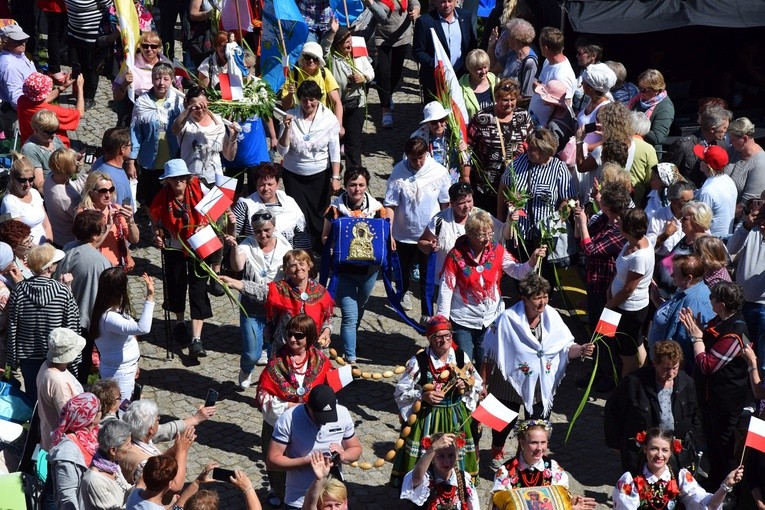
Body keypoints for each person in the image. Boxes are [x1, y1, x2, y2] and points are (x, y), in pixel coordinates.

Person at [482, 273, 594, 466]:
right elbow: (489, 351)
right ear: (524, 299)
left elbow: (565, 347)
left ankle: (523, 457)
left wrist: (581, 350)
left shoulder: (552, 317)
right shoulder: (507, 319)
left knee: (536, 424)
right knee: (502, 419)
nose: (543, 302)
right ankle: (497, 449)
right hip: (510, 377)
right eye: (537, 298)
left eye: (545, 296)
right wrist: (483, 382)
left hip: (541, 383)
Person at [437, 210, 544, 367]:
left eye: (490, 233)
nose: (487, 238)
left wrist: (532, 262)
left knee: (485, 362)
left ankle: (483, 390)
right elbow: (446, 290)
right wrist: (442, 323)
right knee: (464, 362)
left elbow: (517, 271)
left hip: (490, 319)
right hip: (463, 320)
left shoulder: (497, 250)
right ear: (469, 234)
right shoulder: (455, 256)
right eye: (482, 235)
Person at [391, 316, 483, 487]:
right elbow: (401, 391)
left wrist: (467, 385)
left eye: (447, 335)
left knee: (455, 453)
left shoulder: (461, 358)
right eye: (438, 336)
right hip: (428, 417)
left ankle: (456, 491)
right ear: (430, 339)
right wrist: (422, 396)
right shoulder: (419, 362)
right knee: (428, 453)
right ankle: (423, 490)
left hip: (456, 415)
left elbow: (477, 383)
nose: (444, 340)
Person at [679, 281, 752, 490]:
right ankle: (714, 480)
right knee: (713, 443)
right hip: (712, 399)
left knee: (723, 447)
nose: (709, 300)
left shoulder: (735, 333)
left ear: (721, 303)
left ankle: (728, 490)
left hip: (725, 402)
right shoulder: (722, 320)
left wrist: (696, 338)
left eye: (712, 298)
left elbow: (707, 365)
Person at [255, 315, 332, 508]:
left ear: (309, 338)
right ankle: (278, 491)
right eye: (290, 334)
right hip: (278, 422)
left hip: (309, 423)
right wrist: (290, 407)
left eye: (299, 336)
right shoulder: (275, 364)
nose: (292, 340)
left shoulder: (321, 362)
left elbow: (328, 390)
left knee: (305, 461)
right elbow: (264, 397)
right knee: (276, 461)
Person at [321, 167, 388, 364]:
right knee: (349, 315)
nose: (356, 189)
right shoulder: (335, 209)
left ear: (367, 186)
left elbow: (382, 238)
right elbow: (324, 237)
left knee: (360, 307)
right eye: (352, 185)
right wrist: (335, 242)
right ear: (345, 185)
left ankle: (352, 340)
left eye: (360, 185)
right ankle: (350, 357)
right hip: (344, 272)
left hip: (369, 272)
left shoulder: (377, 210)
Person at [605, 340, 702, 473]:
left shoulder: (687, 383)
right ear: (655, 363)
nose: (670, 374)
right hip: (642, 451)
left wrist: (693, 440)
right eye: (666, 368)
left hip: (674, 451)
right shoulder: (634, 382)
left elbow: (695, 415)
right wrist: (615, 444)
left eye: (675, 368)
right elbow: (613, 411)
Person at [149, 159, 214, 358]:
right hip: (174, 247)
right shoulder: (161, 200)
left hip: (199, 244)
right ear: (167, 181)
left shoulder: (198, 187)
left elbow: (215, 208)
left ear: (187, 178)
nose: (179, 182)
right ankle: (179, 322)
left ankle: (196, 339)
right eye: (174, 179)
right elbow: (156, 225)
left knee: (198, 288)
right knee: (176, 285)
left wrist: (206, 222)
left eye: (181, 178)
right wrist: (158, 236)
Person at [221, 210, 293, 386]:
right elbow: (237, 265)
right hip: (252, 307)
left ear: (274, 227)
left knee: (274, 353)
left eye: (267, 230)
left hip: (276, 308)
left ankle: (269, 384)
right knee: (252, 353)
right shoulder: (248, 244)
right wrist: (234, 247)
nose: (263, 235)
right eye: (258, 231)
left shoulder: (285, 248)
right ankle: (246, 369)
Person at [266, 384, 362, 509]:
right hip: (298, 498)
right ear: (308, 406)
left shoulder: (343, 414)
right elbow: (272, 461)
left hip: (331, 501)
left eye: (329, 416)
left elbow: (356, 449)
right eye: (319, 416)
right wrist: (308, 461)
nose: (324, 422)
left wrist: (343, 455)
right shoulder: (288, 419)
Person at [385, 137, 451, 317]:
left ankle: (427, 313)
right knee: (402, 270)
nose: (418, 162)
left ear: (426, 154)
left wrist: (443, 231)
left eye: (420, 157)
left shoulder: (438, 172)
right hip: (403, 232)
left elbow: (445, 204)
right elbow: (390, 205)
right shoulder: (399, 171)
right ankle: (402, 292)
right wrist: (389, 233)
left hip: (428, 234)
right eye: (413, 158)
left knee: (427, 275)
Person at [6, 244, 80, 402]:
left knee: (34, 398)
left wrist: (12, 360)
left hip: (28, 356)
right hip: (56, 355)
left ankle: (35, 425)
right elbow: (72, 325)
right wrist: (74, 358)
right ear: (50, 268)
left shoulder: (19, 291)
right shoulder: (62, 291)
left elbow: (12, 327)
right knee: (59, 399)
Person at [496, 129, 575, 275]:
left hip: (545, 235)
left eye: (534, 149)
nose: (530, 151)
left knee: (544, 275)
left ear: (547, 151)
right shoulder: (518, 163)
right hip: (518, 233)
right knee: (519, 273)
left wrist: (556, 224)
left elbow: (568, 201)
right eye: (530, 147)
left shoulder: (559, 168)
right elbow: (503, 188)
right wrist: (501, 220)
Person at [278, 80, 342, 250]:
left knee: (319, 213)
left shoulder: (329, 119)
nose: (308, 104)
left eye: (312, 99)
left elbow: (334, 151)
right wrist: (286, 129)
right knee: (298, 213)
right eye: (304, 100)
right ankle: (302, 250)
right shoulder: (290, 116)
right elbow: (282, 151)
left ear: (319, 99)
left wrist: (335, 177)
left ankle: (320, 248)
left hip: (319, 175)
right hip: (293, 175)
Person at [613, 428, 743, 510]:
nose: (659, 455)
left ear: (671, 453)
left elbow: (706, 505)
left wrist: (726, 484)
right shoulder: (631, 480)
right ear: (645, 449)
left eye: (664, 450)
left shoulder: (680, 477)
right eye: (654, 449)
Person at [464, 78, 534, 213]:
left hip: (515, 185)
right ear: (496, 98)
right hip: (488, 185)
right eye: (505, 100)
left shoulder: (523, 116)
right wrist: (466, 177)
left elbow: (532, 140)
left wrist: (524, 147)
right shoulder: (482, 118)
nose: (509, 104)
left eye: (512, 100)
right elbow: (468, 148)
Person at [491, 420, 596, 510]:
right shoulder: (506, 472)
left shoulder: (554, 469)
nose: (539, 448)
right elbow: (501, 504)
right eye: (534, 442)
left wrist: (571, 505)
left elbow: (558, 504)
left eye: (543, 442)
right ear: (522, 443)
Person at [573, 182, 630, 338]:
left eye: (603, 201)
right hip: (594, 282)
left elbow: (590, 250)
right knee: (594, 326)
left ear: (609, 207)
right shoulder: (605, 219)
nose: (600, 202)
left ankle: (606, 360)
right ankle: (598, 355)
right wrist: (579, 221)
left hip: (607, 288)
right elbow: (583, 239)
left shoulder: (621, 230)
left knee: (605, 334)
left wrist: (583, 222)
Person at [90, 269, 155, 401]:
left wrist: (135, 363)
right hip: (119, 374)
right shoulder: (109, 317)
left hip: (125, 370)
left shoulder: (112, 309)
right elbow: (142, 328)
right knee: (122, 410)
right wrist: (150, 297)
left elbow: (129, 335)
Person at [129, 62, 184, 208]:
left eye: (166, 79)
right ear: (152, 80)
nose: (161, 83)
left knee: (170, 197)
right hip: (150, 157)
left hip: (172, 155)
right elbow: (135, 132)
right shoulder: (142, 102)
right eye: (158, 78)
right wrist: (131, 160)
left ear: (172, 80)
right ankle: (154, 226)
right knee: (151, 196)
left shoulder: (178, 101)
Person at [606, 208, 654, 375]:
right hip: (617, 304)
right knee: (634, 341)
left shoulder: (640, 257)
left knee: (626, 352)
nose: (617, 223)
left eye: (621, 222)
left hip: (627, 310)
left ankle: (627, 385)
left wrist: (609, 305)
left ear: (628, 228)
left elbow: (628, 290)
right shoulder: (633, 241)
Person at [322, 23, 375, 168]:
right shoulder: (331, 58)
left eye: (350, 40)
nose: (350, 44)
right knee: (334, 142)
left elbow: (371, 71)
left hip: (357, 103)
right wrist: (332, 33)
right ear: (338, 44)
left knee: (353, 143)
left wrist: (363, 77)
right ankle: (334, 175)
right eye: (346, 42)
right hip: (336, 106)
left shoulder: (357, 54)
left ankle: (354, 176)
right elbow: (324, 50)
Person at [648, 255, 714, 369]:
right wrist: (658, 301)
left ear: (689, 278)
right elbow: (673, 317)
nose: (672, 275)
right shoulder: (686, 290)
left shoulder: (694, 302)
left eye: (676, 273)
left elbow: (683, 344)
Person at [230, 162, 312, 250]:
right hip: (253, 254)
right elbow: (234, 236)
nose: (266, 189)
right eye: (261, 185)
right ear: (256, 185)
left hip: (286, 257)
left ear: (277, 183)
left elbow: (301, 236)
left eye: (270, 184)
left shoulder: (289, 203)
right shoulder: (246, 204)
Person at [365, 0, 421, 128]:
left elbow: (414, 2)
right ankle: (386, 109)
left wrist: (416, 10)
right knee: (384, 73)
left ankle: (387, 95)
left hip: (403, 35)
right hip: (381, 36)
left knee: (396, 72)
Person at [172, 85, 240, 185]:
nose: (199, 110)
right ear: (187, 104)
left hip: (215, 180)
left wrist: (233, 138)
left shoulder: (218, 122)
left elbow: (230, 157)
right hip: (191, 180)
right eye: (195, 107)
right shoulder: (185, 122)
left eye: (203, 105)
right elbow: (175, 130)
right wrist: (189, 110)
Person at [120, 399, 196, 487]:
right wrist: (182, 450)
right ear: (150, 430)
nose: (159, 421)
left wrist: (175, 448)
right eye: (157, 419)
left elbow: (160, 462)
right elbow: (174, 486)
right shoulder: (144, 462)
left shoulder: (134, 439)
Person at [727, 192, 765, 370]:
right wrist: (747, 225)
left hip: (763, 307)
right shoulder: (748, 228)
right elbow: (731, 248)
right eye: (760, 203)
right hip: (742, 303)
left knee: (762, 354)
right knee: (742, 351)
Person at [412, 0, 476, 101]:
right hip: (435, 79)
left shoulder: (465, 16)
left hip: (461, 76)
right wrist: (437, 64)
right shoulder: (425, 21)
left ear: (456, 1)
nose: (447, 5)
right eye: (443, 2)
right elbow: (417, 51)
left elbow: (471, 44)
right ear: (435, 2)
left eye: (450, 1)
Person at [400, 432, 481, 510]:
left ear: (457, 455)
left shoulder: (464, 478)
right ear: (432, 458)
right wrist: (433, 448)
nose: (447, 461)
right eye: (441, 456)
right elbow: (416, 479)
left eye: (451, 455)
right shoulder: (426, 478)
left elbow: (474, 506)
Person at [48, 392, 101, 510]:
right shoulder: (67, 452)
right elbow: (67, 497)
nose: (101, 412)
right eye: (99, 409)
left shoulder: (94, 435)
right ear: (89, 417)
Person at [77, 171, 140, 271]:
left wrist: (130, 221)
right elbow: (89, 247)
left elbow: (134, 240)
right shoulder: (84, 214)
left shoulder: (116, 209)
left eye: (111, 190)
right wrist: (109, 226)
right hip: (95, 268)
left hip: (116, 267)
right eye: (103, 191)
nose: (108, 194)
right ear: (91, 192)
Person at [36, 328, 86, 452]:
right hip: (60, 444)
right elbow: (68, 419)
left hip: (48, 430)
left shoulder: (46, 366)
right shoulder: (59, 382)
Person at [654, 201, 713, 300]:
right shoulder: (687, 238)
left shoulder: (704, 246)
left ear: (697, 222)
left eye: (685, 219)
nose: (681, 221)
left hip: (679, 301)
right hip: (662, 295)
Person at [280, 42, 344, 133]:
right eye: (307, 57)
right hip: (299, 123)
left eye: (315, 58)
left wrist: (339, 125)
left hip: (322, 122)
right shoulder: (293, 75)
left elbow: (336, 102)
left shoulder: (325, 73)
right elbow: (286, 106)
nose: (311, 60)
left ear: (319, 61)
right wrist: (290, 94)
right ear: (302, 59)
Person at [665, 103, 733, 187]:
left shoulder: (721, 145)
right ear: (712, 129)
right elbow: (668, 173)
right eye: (724, 128)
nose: (726, 131)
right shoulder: (684, 145)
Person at [113, 31, 172, 125]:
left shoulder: (167, 65)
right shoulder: (130, 65)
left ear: (159, 48)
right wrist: (125, 84)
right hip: (133, 113)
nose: (149, 49)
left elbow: (176, 91)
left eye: (153, 46)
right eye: (145, 46)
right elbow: (117, 97)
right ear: (140, 46)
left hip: (160, 115)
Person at [64, 0, 111, 109]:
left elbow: (110, 6)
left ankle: (89, 97)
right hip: (73, 31)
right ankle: (78, 92)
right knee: (76, 64)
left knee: (90, 67)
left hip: (92, 34)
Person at [17, 71, 83, 147]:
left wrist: (64, 86)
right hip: (54, 150)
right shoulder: (51, 112)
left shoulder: (21, 101)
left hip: (29, 145)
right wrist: (80, 88)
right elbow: (80, 114)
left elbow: (40, 100)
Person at [79, 419, 133, 510]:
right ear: (113, 450)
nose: (131, 447)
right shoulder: (95, 481)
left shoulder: (112, 465)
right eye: (127, 444)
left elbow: (126, 490)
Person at [528, 27, 576, 128]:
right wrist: (539, 87)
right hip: (534, 123)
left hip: (545, 130)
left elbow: (565, 105)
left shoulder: (563, 75)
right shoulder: (547, 61)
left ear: (545, 48)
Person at [1, 153, 52, 245]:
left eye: (31, 179)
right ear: (13, 178)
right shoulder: (10, 202)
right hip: (28, 251)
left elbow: (46, 224)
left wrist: (49, 244)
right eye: (22, 180)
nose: (28, 184)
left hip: (45, 248)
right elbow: (20, 236)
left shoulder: (35, 193)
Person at [43, 148, 88, 248]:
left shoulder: (51, 177)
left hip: (57, 234)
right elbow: (81, 218)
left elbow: (74, 185)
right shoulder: (66, 197)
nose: (78, 163)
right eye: (74, 162)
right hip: (68, 242)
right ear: (67, 169)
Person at [410, 101, 468, 178]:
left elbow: (465, 156)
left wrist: (464, 147)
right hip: (430, 178)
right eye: (434, 122)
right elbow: (411, 161)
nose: (439, 125)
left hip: (452, 177)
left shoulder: (454, 132)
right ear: (427, 123)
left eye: (441, 120)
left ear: (446, 119)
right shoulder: (419, 137)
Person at [0, 25, 37, 136]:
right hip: (18, 116)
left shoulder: (19, 54)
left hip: (27, 111)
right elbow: (16, 100)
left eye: (24, 39)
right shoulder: (9, 66)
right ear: (5, 42)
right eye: (17, 41)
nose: (23, 43)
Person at [488, 18, 537, 101]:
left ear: (515, 39)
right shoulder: (512, 53)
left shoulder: (530, 62)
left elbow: (527, 96)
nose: (506, 39)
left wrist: (504, 101)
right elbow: (492, 69)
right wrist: (491, 45)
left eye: (508, 36)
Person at [645, 170, 692, 256]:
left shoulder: (695, 216)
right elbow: (649, 247)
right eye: (686, 202)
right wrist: (666, 234)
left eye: (692, 200)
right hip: (663, 262)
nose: (691, 205)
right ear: (673, 201)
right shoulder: (658, 216)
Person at [694, 144, 736, 238]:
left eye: (701, 160)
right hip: (725, 238)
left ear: (708, 166)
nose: (699, 162)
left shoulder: (708, 191)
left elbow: (701, 222)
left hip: (710, 242)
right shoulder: (728, 180)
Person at [628, 69, 675, 152]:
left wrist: (634, 125)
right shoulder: (638, 99)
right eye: (639, 88)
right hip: (630, 146)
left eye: (644, 90)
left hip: (647, 152)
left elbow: (657, 138)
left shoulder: (665, 108)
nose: (640, 92)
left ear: (656, 90)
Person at [20, 109, 68, 190]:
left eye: (55, 131)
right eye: (47, 132)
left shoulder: (55, 139)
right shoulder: (30, 149)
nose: (53, 135)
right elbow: (40, 185)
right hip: (51, 192)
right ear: (36, 130)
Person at [726, 117, 765, 212]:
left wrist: (724, 216)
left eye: (733, 139)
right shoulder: (733, 150)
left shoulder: (760, 163)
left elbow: (747, 203)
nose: (730, 142)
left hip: (737, 220)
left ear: (744, 139)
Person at [90, 127, 136, 208]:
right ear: (122, 149)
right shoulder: (117, 183)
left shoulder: (100, 161)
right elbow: (118, 211)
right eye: (130, 145)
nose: (131, 148)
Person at [459, 49, 496, 120]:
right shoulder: (460, 87)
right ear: (470, 69)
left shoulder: (496, 81)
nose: (483, 71)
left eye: (485, 67)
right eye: (479, 69)